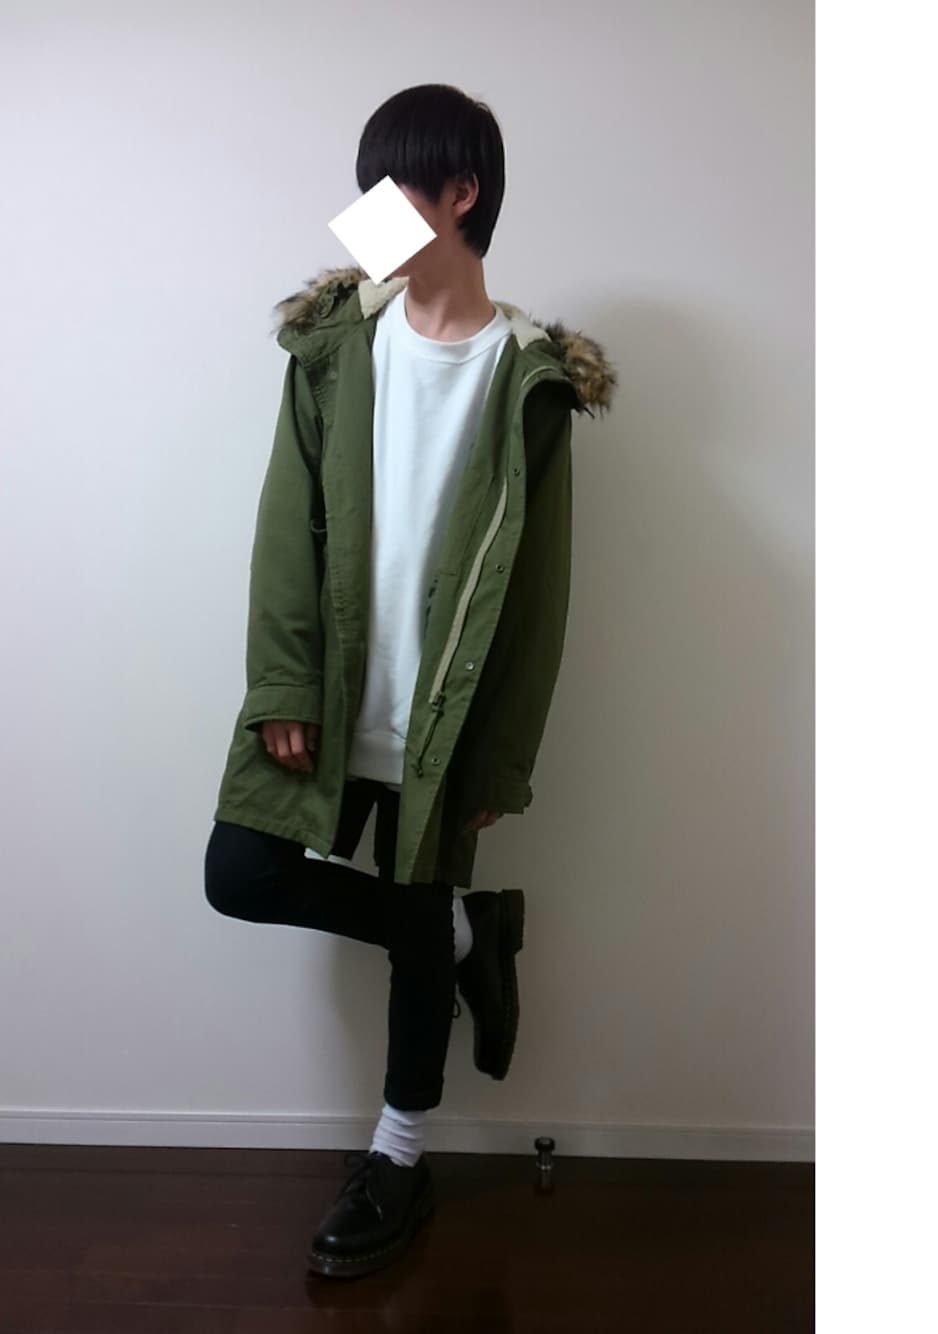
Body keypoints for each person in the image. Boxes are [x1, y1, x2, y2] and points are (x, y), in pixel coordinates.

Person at [203, 83, 616, 1279]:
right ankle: (463, 928)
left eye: (389, 190)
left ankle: (398, 1154)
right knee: (241, 871)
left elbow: (537, 596)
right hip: (333, 696)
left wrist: (498, 762)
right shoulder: (336, 345)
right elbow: (285, 526)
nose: (363, 215)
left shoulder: (528, 378)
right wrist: (284, 683)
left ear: (461, 193)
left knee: (413, 933)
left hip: (446, 716)